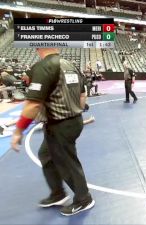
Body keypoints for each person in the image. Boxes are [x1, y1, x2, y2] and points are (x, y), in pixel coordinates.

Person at [10, 48, 95, 216]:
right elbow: (83, 94)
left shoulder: (44, 66)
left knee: (66, 162)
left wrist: (18, 130)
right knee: (46, 155)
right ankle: (58, 194)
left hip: (60, 124)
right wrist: (74, 110)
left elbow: (33, 104)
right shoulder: (70, 65)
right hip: (71, 121)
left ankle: (84, 199)